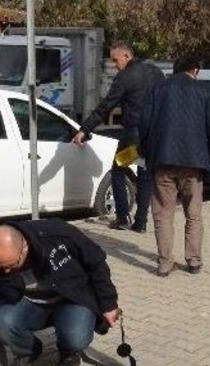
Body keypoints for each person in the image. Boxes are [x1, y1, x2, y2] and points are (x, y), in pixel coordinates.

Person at [0, 219, 121, 366]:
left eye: (11, 265)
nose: (6, 271)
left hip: (71, 299)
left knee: (75, 336)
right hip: (30, 305)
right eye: (0, 267)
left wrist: (108, 304)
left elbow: (96, 262)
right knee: (1, 321)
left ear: (24, 247)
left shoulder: (57, 234)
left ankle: (68, 350)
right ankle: (27, 351)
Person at [140, 56, 210, 277]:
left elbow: (144, 125)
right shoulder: (205, 90)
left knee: (163, 214)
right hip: (194, 164)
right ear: (195, 70)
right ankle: (194, 261)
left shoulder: (157, 89)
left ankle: (164, 263)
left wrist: (147, 155)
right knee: (193, 213)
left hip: (163, 161)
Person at [71, 41, 165, 233]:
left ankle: (122, 217)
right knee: (145, 174)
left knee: (118, 170)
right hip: (154, 135)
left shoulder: (126, 77)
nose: (115, 65)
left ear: (127, 56)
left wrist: (85, 129)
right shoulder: (156, 72)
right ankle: (141, 222)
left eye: (116, 60)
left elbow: (106, 106)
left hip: (134, 137)